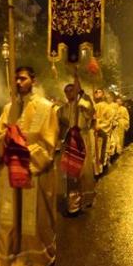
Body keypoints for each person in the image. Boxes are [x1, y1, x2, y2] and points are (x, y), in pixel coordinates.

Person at [0, 66, 59, 266]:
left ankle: (34, 260)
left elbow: (48, 143)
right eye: (16, 78)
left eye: (23, 78)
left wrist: (23, 151)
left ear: (33, 81)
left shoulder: (47, 108)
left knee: (30, 219)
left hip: (34, 173)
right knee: (8, 217)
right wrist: (6, 141)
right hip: (9, 171)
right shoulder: (9, 108)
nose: (18, 82)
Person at [58, 81, 96, 214]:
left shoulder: (82, 106)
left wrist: (83, 96)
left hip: (82, 140)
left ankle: (85, 199)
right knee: (71, 173)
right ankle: (73, 204)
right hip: (69, 142)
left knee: (83, 172)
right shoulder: (62, 109)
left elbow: (91, 112)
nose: (69, 93)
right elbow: (59, 127)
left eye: (71, 90)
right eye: (66, 91)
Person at [93, 89, 118, 174]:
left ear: (103, 95)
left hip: (103, 133)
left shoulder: (108, 107)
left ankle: (102, 169)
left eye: (99, 92)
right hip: (94, 134)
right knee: (95, 154)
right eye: (96, 92)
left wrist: (100, 126)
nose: (97, 93)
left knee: (103, 152)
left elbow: (109, 121)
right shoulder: (93, 106)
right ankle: (96, 170)